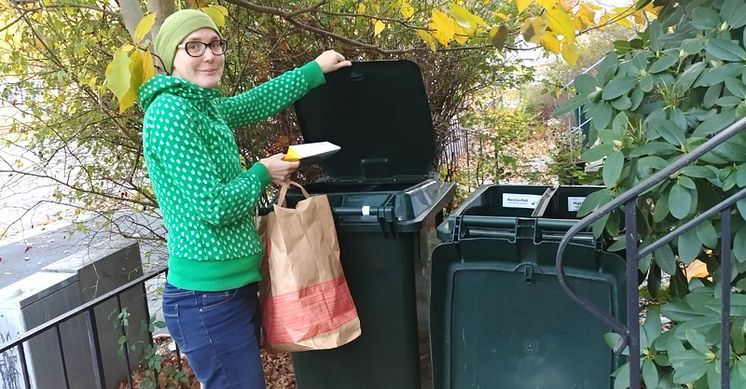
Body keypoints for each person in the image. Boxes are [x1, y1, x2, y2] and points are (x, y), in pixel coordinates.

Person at [138, 9, 351, 388]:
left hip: (228, 292)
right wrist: (261, 172)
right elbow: (214, 205)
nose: (209, 54)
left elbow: (253, 104)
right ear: (171, 56)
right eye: (195, 46)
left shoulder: (200, 105)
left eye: (216, 44)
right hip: (206, 299)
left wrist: (313, 70)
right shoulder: (170, 113)